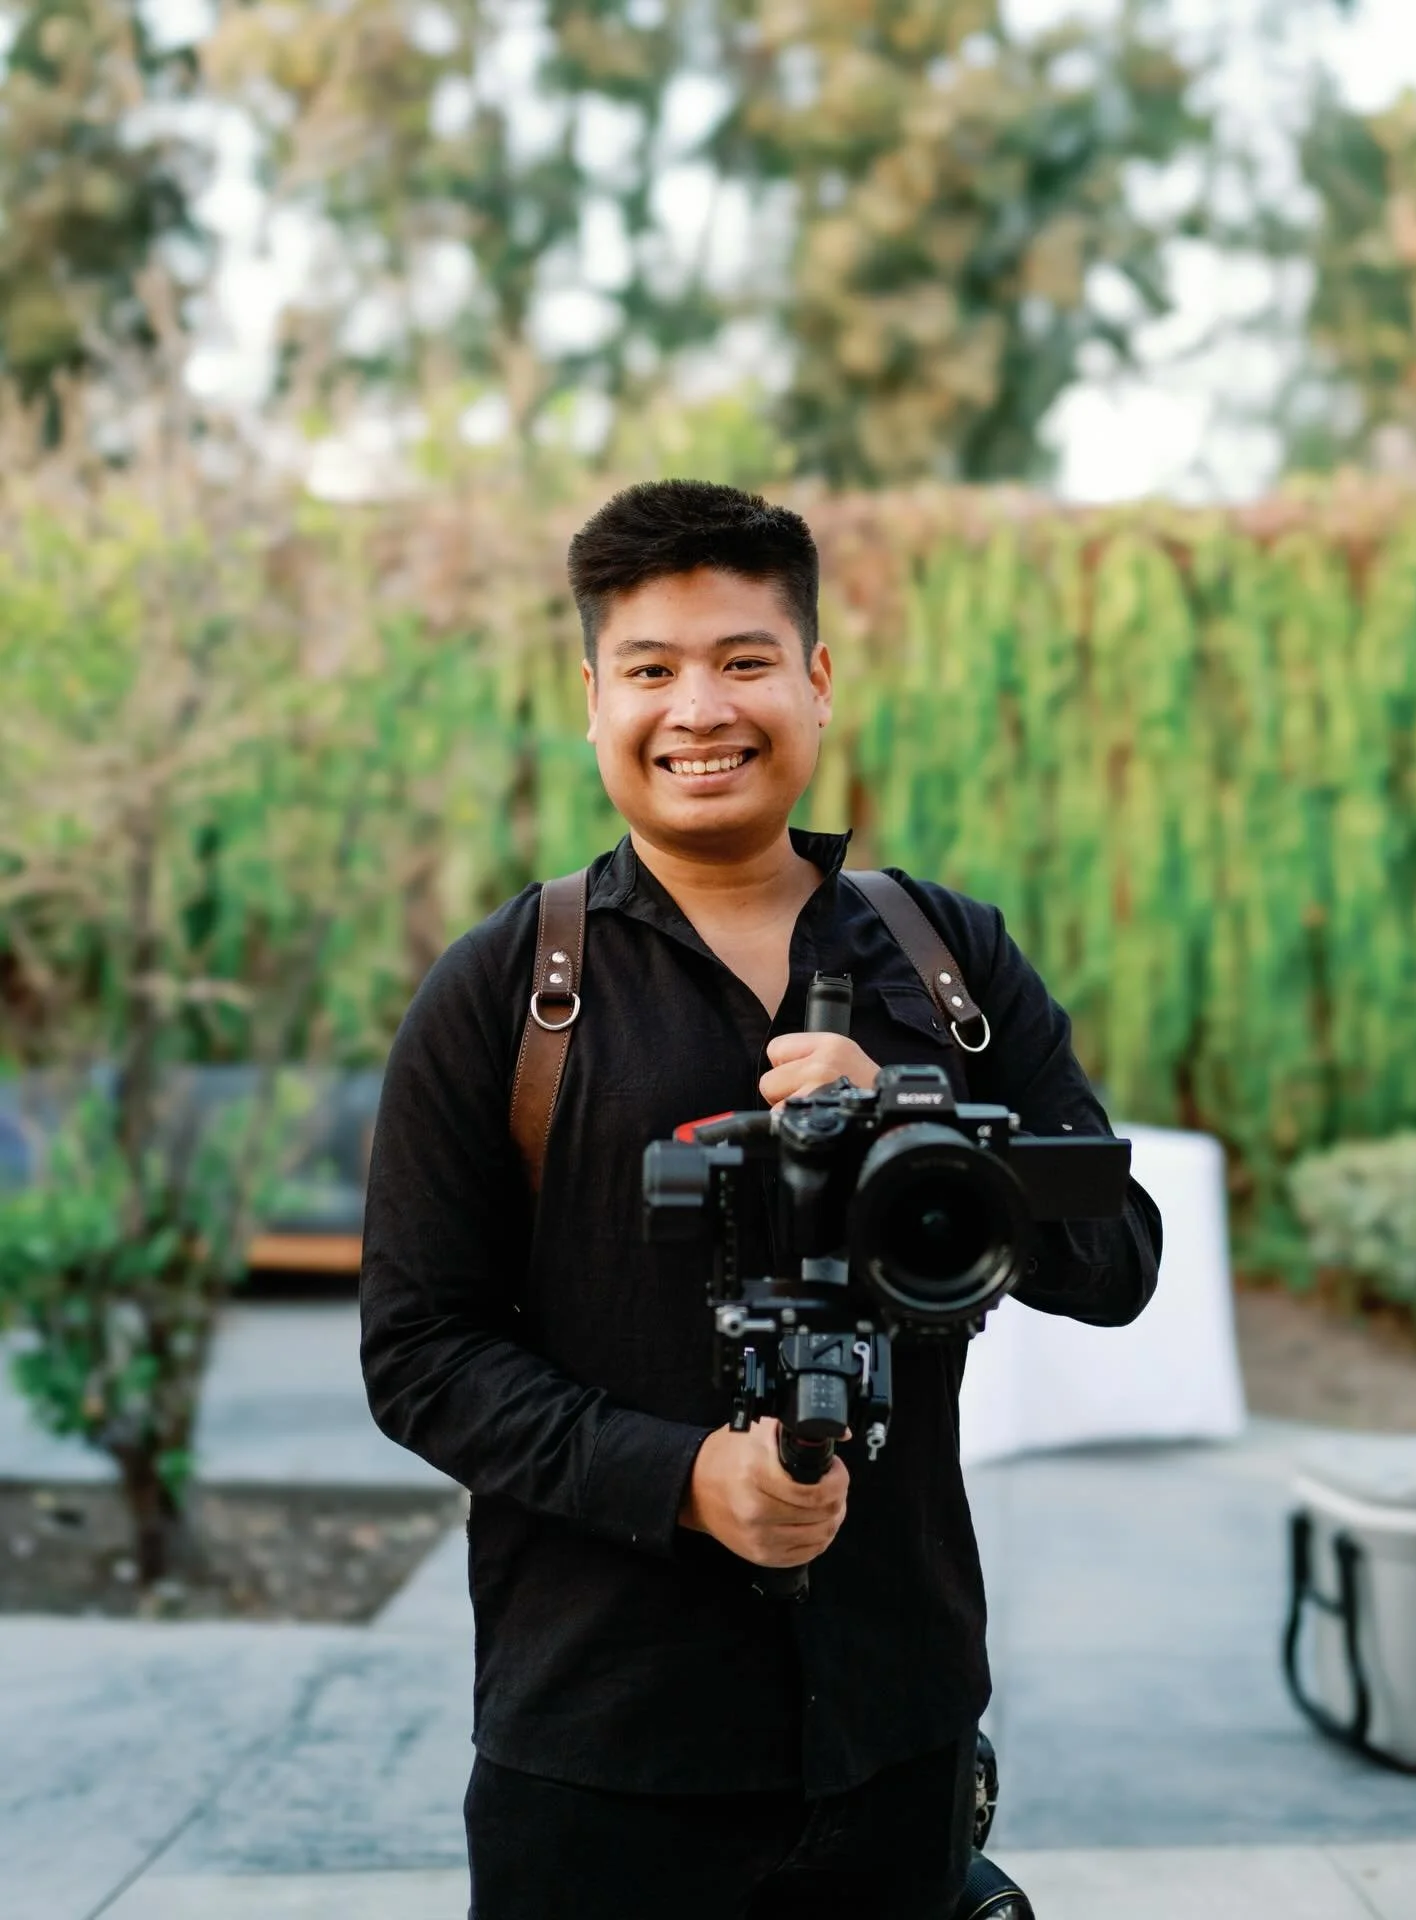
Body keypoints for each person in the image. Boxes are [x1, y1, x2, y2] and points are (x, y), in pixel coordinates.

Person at [359, 480, 1163, 1920]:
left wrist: (930, 1127)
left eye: (743, 661)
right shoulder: (504, 995)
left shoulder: (948, 963)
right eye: (653, 671)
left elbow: (1117, 1260)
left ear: (817, 679)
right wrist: (683, 1480)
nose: (699, 710)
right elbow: (419, 1353)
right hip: (601, 1743)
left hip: (898, 1725)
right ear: (591, 696)